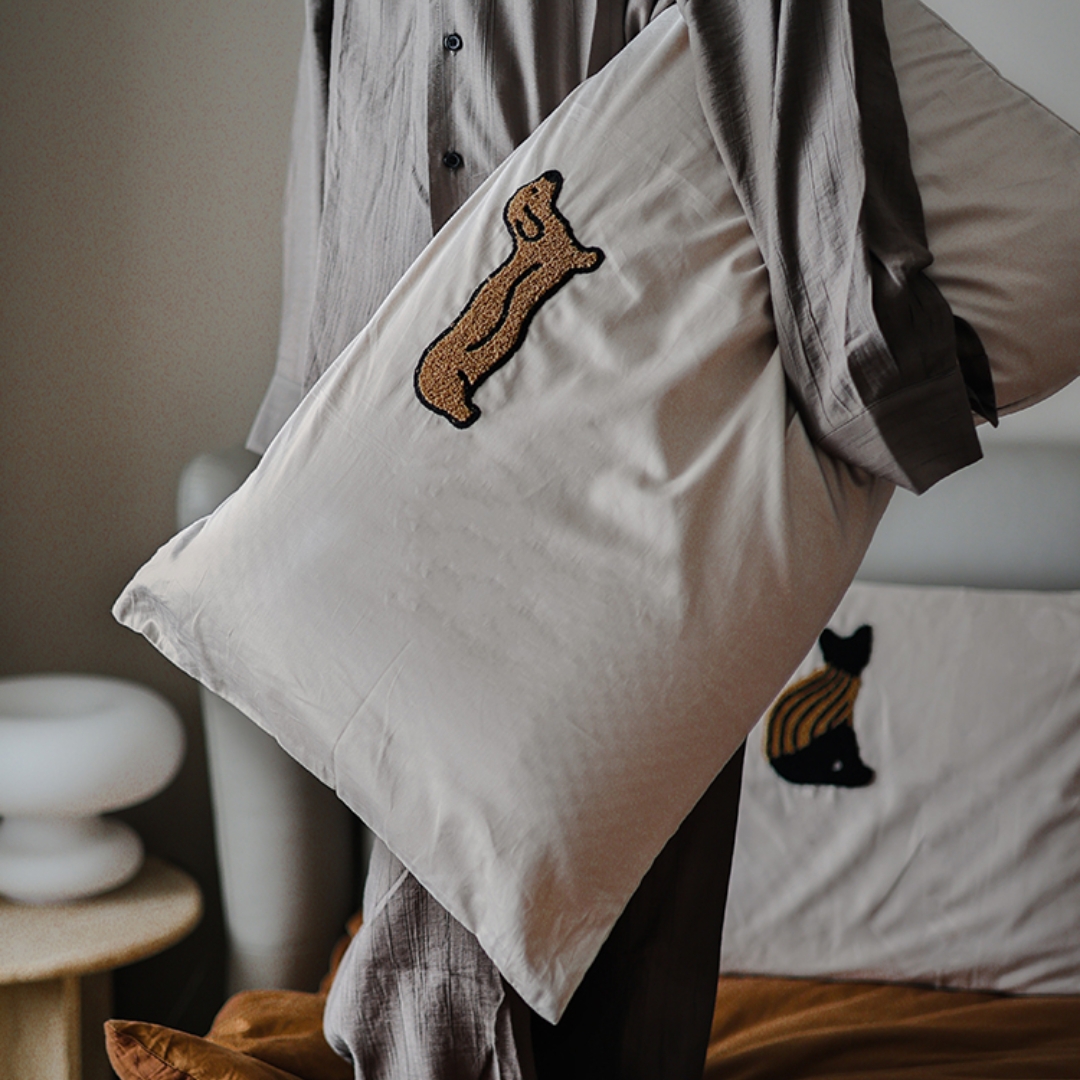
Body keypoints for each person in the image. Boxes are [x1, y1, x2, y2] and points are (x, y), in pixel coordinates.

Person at [246, 2, 991, 1075]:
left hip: (613, 423)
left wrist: (881, 373)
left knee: (621, 888)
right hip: (388, 424)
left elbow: (798, 82)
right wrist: (307, 428)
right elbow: (343, 117)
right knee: (439, 858)